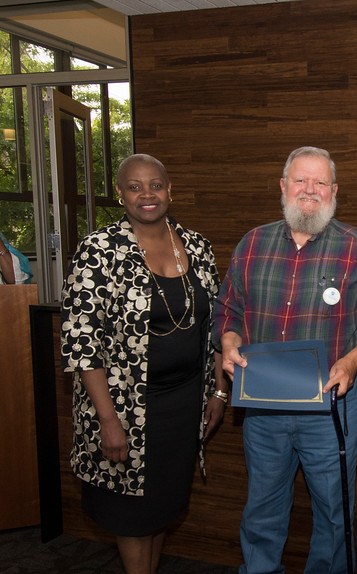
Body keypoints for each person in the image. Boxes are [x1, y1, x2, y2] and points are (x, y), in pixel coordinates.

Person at [214, 146, 357, 573]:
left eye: (320, 182)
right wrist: (229, 344)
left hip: (332, 409)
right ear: (283, 186)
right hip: (263, 408)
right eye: (300, 180)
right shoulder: (253, 242)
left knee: (334, 514)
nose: (310, 190)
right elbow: (228, 309)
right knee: (262, 511)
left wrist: (352, 362)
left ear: (334, 191)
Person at [61, 153, 225, 574]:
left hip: (184, 403)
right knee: (131, 518)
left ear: (169, 190)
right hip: (125, 407)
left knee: (159, 512)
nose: (147, 194)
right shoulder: (99, 250)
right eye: (135, 186)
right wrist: (107, 420)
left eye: (155, 185)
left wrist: (218, 391)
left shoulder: (198, 246)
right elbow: (81, 342)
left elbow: (218, 324)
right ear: (120, 193)